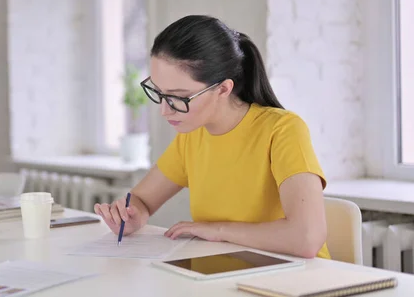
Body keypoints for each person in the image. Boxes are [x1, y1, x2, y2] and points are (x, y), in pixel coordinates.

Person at [94, 15, 330, 259]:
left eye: (179, 97)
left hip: (298, 279)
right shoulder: (193, 135)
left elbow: (306, 238)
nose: (164, 110)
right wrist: (133, 215)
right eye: (159, 92)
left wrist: (218, 230)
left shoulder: (282, 130)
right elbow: (142, 200)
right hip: (229, 274)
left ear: (223, 89)